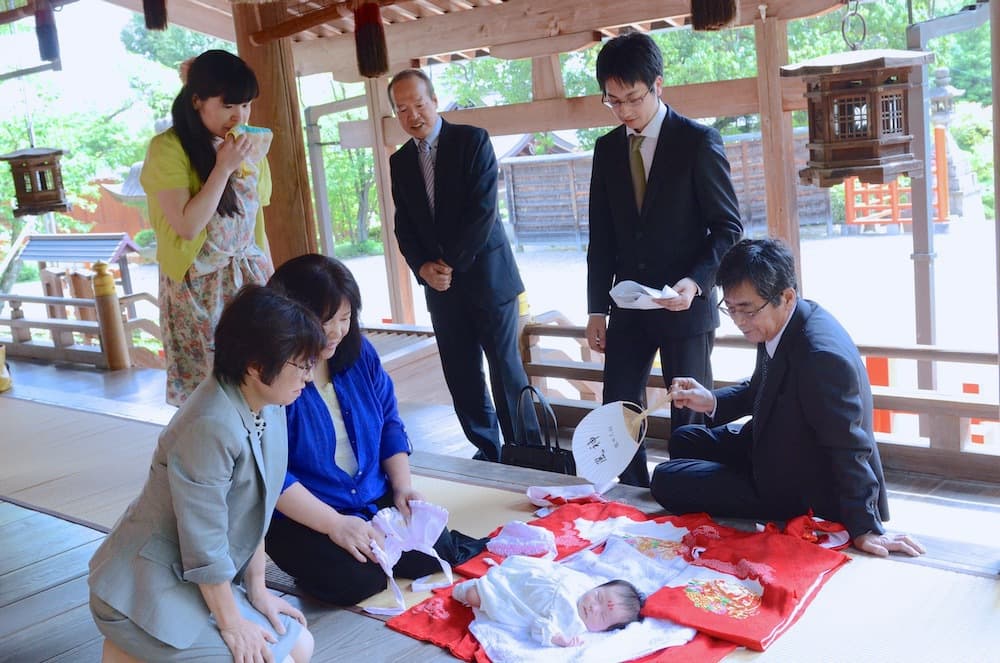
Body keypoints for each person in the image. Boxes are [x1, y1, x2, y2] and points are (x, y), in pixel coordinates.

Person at [88, 284, 324, 662]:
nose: (308, 377)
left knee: (301, 645)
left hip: (194, 578)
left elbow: (257, 509)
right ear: (256, 366)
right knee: (270, 659)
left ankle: (129, 655)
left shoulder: (270, 402)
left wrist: (258, 589)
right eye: (301, 365)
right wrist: (233, 625)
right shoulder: (210, 424)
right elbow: (204, 542)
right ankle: (128, 644)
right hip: (142, 586)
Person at [650, 238, 926, 559]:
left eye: (747, 310)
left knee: (665, 479)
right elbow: (760, 387)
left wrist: (865, 526)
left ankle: (734, 493)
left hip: (798, 483)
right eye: (731, 308)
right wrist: (710, 400)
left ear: (786, 296)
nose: (739, 320)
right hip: (774, 445)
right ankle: (717, 485)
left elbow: (850, 445)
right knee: (684, 439)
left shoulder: (819, 355)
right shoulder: (781, 319)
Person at [264, 254, 486, 606]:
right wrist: (334, 525)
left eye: (345, 318)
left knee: (438, 547)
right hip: (306, 512)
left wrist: (402, 487)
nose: (336, 331)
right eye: (324, 321)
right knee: (358, 578)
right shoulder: (273, 379)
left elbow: (389, 423)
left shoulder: (359, 354)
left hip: (369, 495)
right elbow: (273, 476)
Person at [586, 32, 744, 488]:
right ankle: (631, 495)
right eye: (612, 101)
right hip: (627, 307)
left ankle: (689, 493)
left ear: (658, 85)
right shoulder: (606, 149)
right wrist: (597, 309)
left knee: (688, 410)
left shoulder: (697, 141)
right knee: (616, 406)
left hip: (684, 306)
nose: (624, 111)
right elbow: (602, 239)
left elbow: (727, 229)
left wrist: (695, 282)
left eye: (632, 98)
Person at [386, 68, 538, 462]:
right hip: (441, 288)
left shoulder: (472, 140)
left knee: (507, 372)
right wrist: (422, 268)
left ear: (434, 101)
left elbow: (483, 211)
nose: (413, 115)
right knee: (462, 376)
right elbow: (404, 224)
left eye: (418, 104)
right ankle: (488, 451)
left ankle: (529, 454)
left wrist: (448, 263)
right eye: (402, 109)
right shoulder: (400, 161)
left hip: (488, 279)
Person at [141, 49, 274, 406]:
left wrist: (272, 283)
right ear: (197, 100)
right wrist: (223, 168)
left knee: (262, 384)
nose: (239, 116)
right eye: (229, 105)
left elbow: (254, 226)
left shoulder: (250, 146)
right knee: (212, 398)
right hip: (197, 290)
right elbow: (187, 226)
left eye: (246, 105)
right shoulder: (167, 148)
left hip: (249, 281)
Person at [452, 555, 644, 647]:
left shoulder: (574, 624)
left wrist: (559, 639)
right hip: (528, 578)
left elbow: (541, 627)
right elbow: (559, 570)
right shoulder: (585, 583)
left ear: (603, 630)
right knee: (512, 567)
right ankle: (497, 574)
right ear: (598, 587)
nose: (594, 607)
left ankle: (468, 589)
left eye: (602, 615)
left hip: (516, 599)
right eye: (599, 597)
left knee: (474, 595)